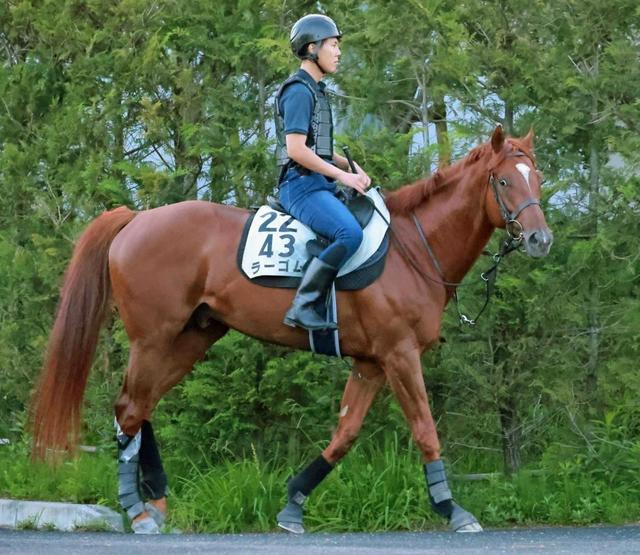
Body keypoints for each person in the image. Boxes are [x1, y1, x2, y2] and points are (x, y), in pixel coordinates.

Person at [275, 14, 371, 331]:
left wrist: (349, 166)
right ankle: (303, 305)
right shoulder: (300, 91)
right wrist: (344, 177)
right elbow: (296, 150)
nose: (338, 52)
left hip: (317, 183)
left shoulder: (316, 90)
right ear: (312, 48)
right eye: (333, 44)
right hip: (300, 186)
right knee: (350, 233)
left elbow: (318, 149)